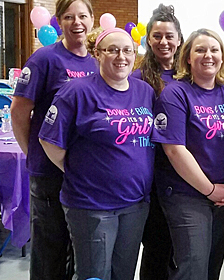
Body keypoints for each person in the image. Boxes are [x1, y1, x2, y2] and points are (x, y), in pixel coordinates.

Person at [38, 28, 155, 280]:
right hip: (92, 205)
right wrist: (78, 171)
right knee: (95, 275)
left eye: (127, 50)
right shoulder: (76, 92)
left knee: (124, 273)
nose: (120, 56)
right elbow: (48, 140)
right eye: (112, 50)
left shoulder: (144, 91)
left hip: (135, 204)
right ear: (97, 54)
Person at [11, 0, 97, 280]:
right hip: (49, 173)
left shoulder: (96, 62)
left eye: (83, 16)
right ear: (59, 21)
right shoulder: (44, 59)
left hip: (83, 172)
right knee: (50, 249)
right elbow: (19, 111)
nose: (77, 23)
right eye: (69, 17)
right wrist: (33, 153)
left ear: (92, 20)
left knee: (78, 249)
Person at [151, 28, 224, 280]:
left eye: (215, 50)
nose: (208, 55)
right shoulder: (175, 93)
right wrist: (209, 189)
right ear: (188, 57)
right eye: (200, 50)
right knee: (193, 266)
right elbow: (173, 150)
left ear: (223, 56)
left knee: (212, 266)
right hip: (186, 195)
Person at [132, 3, 184, 280]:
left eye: (169, 36)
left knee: (181, 249)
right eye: (157, 36)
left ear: (179, 39)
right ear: (148, 40)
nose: (163, 42)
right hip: (150, 176)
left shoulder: (189, 78)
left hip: (184, 176)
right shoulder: (136, 78)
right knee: (155, 247)